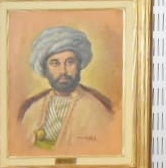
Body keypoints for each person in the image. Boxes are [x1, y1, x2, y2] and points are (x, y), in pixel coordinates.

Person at [16, 26, 119, 154]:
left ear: (79, 65)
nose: (63, 71)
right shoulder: (32, 110)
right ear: (45, 69)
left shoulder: (96, 111)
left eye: (70, 62)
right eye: (55, 63)